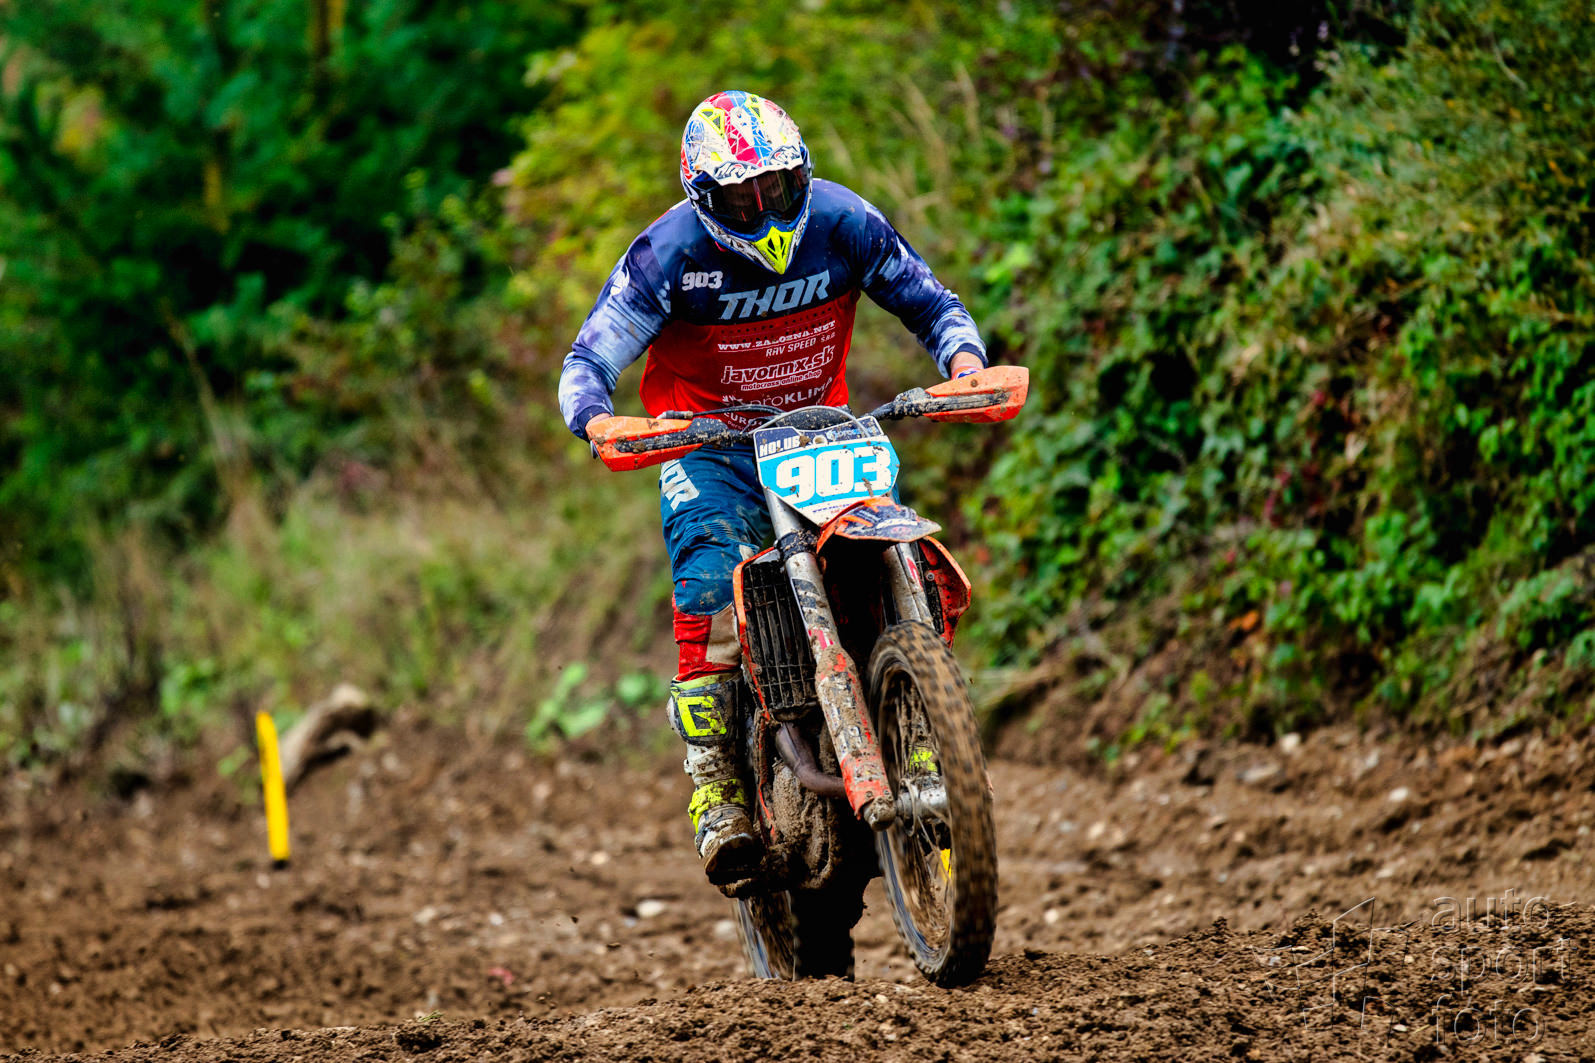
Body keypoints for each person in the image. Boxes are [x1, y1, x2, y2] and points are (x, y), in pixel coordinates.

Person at [557, 90, 988, 890]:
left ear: (803, 175)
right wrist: (596, 418)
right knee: (708, 587)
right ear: (703, 198)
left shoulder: (845, 221)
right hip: (708, 446)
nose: (763, 210)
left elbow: (932, 304)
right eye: (740, 198)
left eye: (778, 187)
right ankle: (717, 787)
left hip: (822, 431)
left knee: (900, 552)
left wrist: (964, 366)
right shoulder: (665, 255)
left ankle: (921, 718)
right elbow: (588, 359)